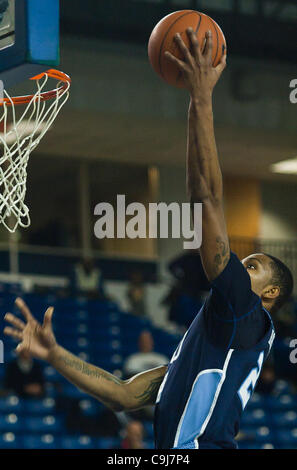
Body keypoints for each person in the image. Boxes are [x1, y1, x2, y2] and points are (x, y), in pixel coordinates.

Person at [4, 30, 294, 450]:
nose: (238, 265)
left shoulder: (245, 312)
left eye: (251, 266)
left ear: (268, 292)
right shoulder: (212, 343)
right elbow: (123, 395)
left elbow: (206, 198)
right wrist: (54, 355)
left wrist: (201, 96)